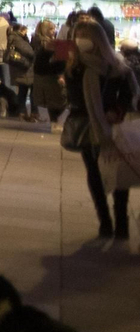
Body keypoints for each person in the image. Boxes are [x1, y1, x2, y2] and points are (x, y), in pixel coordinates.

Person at [65, 18, 139, 239]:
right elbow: (74, 98)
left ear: (97, 39)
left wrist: (116, 110)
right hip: (87, 128)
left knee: (118, 171)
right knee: (95, 174)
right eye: (78, 36)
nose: (80, 41)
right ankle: (105, 221)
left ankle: (121, 222)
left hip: (114, 127)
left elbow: (130, 94)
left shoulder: (116, 66)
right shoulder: (75, 66)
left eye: (85, 36)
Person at [30, 20, 67, 131]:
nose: (54, 31)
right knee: (59, 99)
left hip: (42, 73)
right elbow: (55, 59)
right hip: (49, 73)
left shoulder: (39, 40)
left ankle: (54, 122)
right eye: (51, 29)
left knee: (53, 100)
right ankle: (54, 122)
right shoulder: (46, 43)